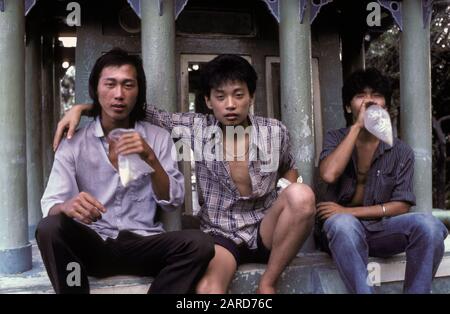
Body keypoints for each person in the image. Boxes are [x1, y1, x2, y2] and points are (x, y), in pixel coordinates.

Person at [53, 54, 316, 294]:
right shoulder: (196, 128)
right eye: (221, 97)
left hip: (264, 227)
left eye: (239, 95)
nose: (231, 105)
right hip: (221, 233)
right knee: (207, 292)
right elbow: (133, 107)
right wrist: (84, 108)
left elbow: (288, 165)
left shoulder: (274, 131)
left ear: (251, 97)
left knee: (301, 196)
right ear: (207, 101)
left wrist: (284, 194)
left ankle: (267, 283)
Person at [37, 48, 215, 294]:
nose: (119, 94)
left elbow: (173, 202)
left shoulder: (158, 137)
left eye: (128, 85)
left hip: (143, 243)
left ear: (138, 91)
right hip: (94, 244)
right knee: (49, 227)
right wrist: (66, 207)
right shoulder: (73, 143)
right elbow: (51, 204)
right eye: (110, 84)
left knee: (201, 243)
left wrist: (150, 158)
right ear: (96, 90)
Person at [316, 68, 448, 293]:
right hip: (342, 234)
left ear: (384, 106)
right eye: (360, 96)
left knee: (430, 226)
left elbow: (402, 204)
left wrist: (349, 212)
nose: (368, 101)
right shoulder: (335, 138)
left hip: (380, 230)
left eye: (375, 95)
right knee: (341, 224)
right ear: (349, 107)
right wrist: (357, 127)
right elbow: (329, 174)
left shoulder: (400, 150)